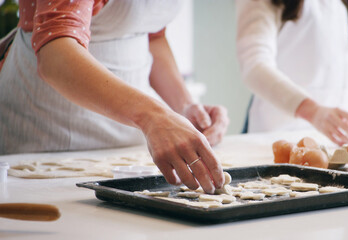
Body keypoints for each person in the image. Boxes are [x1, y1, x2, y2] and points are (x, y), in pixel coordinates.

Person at [0, 0, 229, 194]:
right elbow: (55, 52)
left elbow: (152, 35)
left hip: (128, 139)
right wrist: (153, 117)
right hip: (48, 130)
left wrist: (184, 106)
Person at [236, 0, 348, 146]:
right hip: (280, 137)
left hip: (343, 141)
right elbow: (255, 65)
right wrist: (313, 111)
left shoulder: (344, 3)